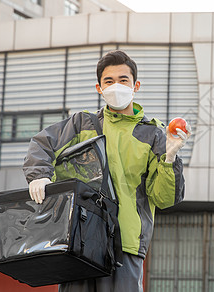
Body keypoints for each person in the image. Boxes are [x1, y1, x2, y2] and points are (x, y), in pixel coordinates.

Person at [22, 50, 190, 291]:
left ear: (136, 85)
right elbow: (42, 144)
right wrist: (39, 175)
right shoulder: (81, 124)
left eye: (123, 80)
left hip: (125, 246)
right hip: (77, 238)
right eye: (108, 81)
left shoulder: (154, 135)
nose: (116, 86)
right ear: (99, 88)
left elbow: (165, 198)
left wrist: (170, 157)